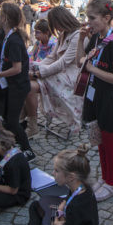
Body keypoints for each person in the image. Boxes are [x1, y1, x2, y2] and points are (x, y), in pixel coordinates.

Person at [15, 145, 99, 225]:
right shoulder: (81, 187)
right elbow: (67, 199)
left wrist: (57, 222)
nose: (53, 173)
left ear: (71, 177)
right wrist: (61, 208)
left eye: (57, 171)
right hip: (65, 222)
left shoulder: (77, 205)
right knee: (34, 206)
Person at [78, 0, 113, 201]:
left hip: (108, 98)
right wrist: (80, 40)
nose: (88, 22)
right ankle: (105, 178)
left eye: (92, 18)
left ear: (107, 18)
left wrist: (92, 69)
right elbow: (79, 61)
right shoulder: (96, 37)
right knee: (98, 141)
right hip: (93, 95)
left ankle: (111, 183)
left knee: (109, 141)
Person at [0, 2, 34, 158]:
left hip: (18, 86)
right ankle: (15, 143)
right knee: (7, 119)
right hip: (11, 85)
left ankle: (28, 150)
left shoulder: (14, 40)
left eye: (0, 13)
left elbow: (17, 68)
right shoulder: (8, 36)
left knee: (12, 121)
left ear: (5, 18)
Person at [27, 7, 82, 136]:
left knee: (29, 83)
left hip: (70, 74)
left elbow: (64, 62)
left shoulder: (77, 35)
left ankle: (30, 123)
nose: (56, 28)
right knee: (27, 79)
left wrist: (40, 72)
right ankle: (28, 121)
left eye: (55, 24)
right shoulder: (64, 34)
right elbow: (52, 57)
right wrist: (36, 66)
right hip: (60, 71)